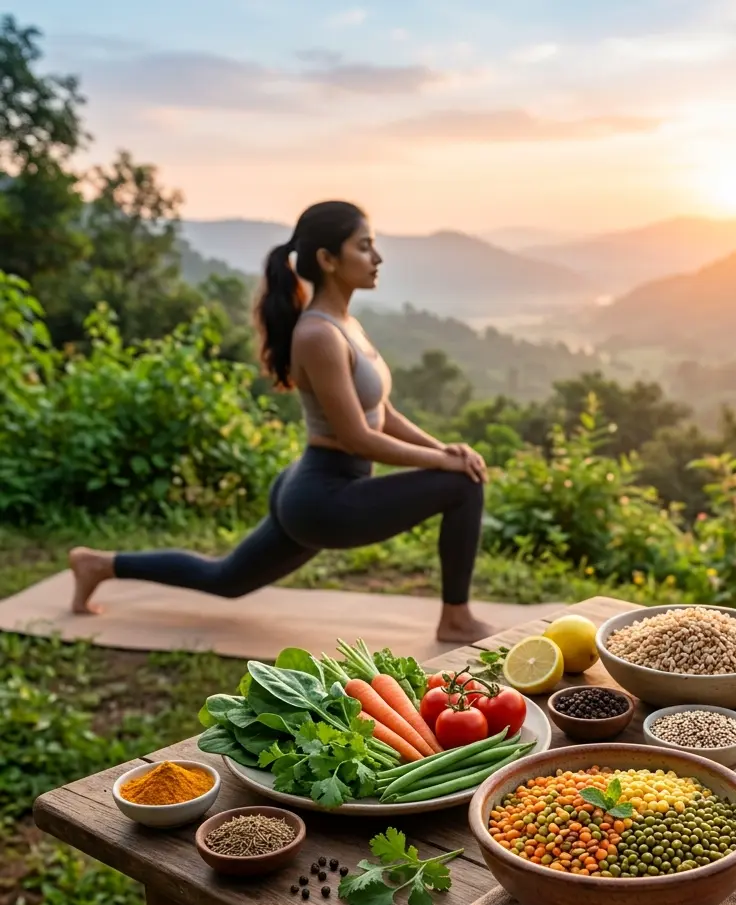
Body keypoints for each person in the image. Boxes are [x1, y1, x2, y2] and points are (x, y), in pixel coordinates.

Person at [69, 200, 492, 643]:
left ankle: (99, 564)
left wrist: (444, 450)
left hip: (315, 487)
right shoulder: (317, 335)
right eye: (364, 247)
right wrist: (441, 465)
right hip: (323, 498)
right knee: (463, 485)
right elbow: (357, 438)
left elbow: (381, 413)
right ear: (328, 260)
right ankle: (456, 619)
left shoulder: (347, 324)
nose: (377, 258)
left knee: (227, 579)